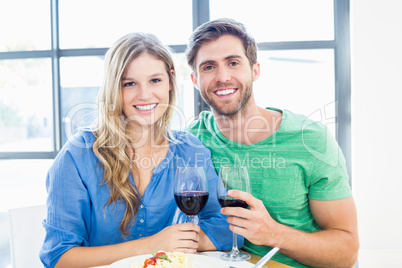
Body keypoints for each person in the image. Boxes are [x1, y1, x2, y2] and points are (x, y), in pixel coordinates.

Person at [40, 32, 234, 268]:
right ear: (114, 88)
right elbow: (59, 256)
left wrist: (180, 242)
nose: (145, 95)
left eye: (155, 80)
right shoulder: (77, 155)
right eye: (129, 83)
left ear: (171, 81)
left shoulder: (190, 150)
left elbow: (226, 227)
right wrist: (152, 245)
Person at [186, 18, 359, 268]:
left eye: (233, 63)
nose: (222, 77)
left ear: (255, 70)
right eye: (209, 67)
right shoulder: (193, 138)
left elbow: (347, 251)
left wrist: (273, 233)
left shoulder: (310, 140)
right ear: (194, 79)